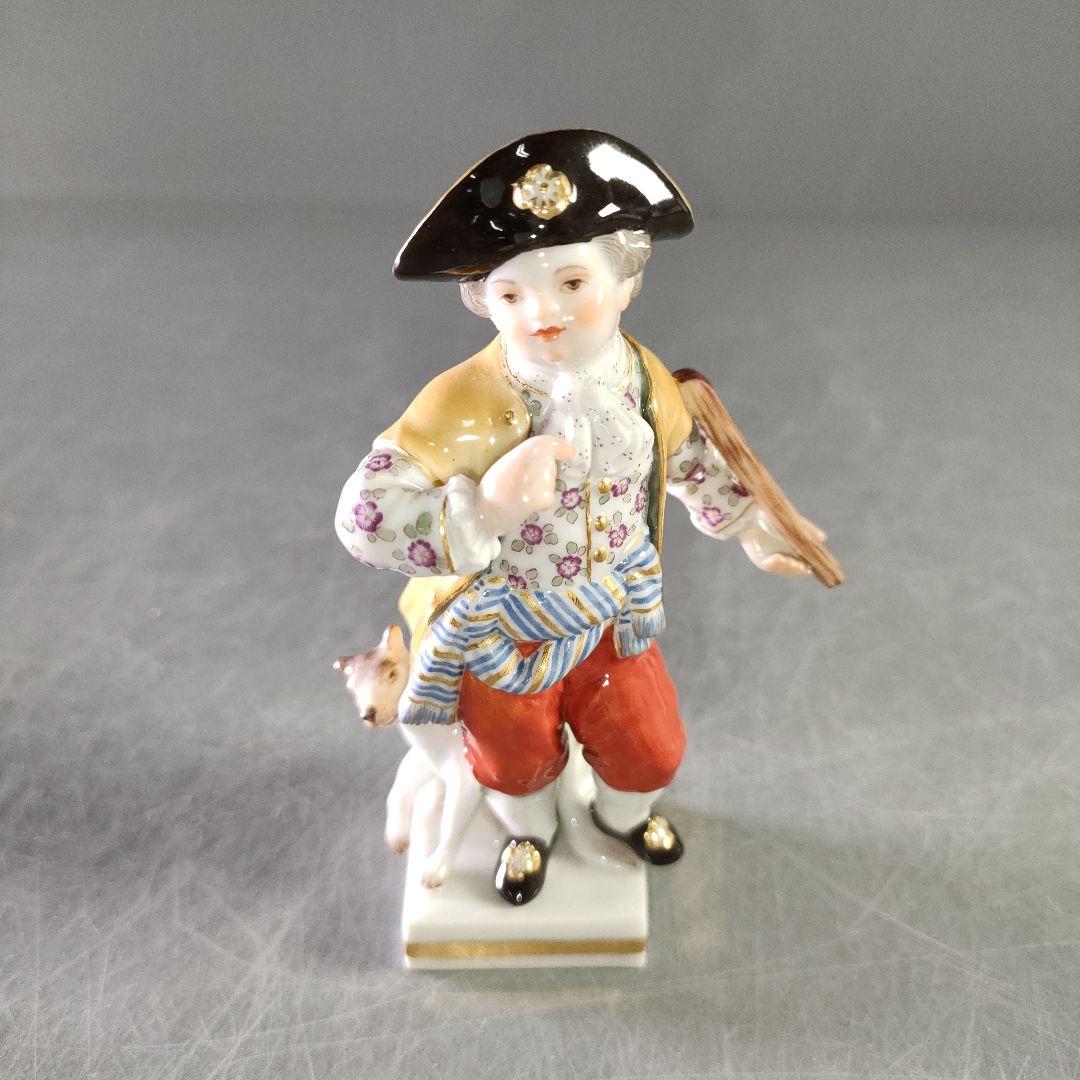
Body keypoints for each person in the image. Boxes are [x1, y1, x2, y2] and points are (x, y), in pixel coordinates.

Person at [335, 130, 812, 905]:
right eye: (512, 295)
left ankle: (626, 818)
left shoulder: (642, 379)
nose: (543, 312)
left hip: (613, 609)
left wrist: (751, 530)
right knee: (512, 758)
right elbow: (364, 516)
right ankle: (528, 834)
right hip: (505, 624)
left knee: (650, 744)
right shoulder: (462, 402)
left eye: (571, 282)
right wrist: (485, 509)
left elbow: (686, 456)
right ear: (486, 301)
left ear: (624, 282)